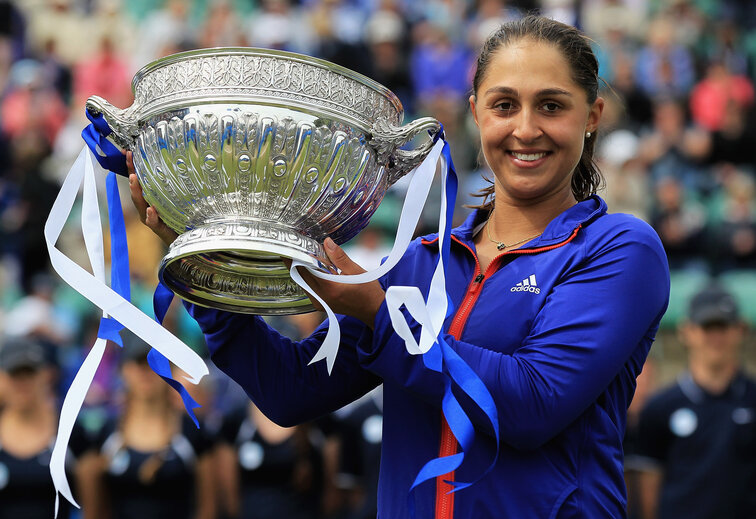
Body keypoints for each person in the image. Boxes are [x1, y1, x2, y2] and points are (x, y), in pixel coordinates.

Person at [128, 15, 670, 519]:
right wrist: (212, 271)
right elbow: (290, 391)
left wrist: (381, 317)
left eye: (552, 106)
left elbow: (533, 403)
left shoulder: (618, 249)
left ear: (593, 115)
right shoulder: (421, 266)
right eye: (504, 105)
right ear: (476, 110)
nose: (526, 129)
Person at [635, 284, 756, 519]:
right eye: (707, 326)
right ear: (686, 331)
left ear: (741, 329)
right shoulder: (660, 408)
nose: (716, 336)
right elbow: (650, 489)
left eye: (723, 326)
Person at [77, 331, 217, 519]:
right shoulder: (106, 432)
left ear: (171, 371)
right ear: (123, 370)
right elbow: (95, 509)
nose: (146, 371)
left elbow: (207, 508)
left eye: (155, 363)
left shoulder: (192, 431)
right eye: (138, 363)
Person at [0, 335, 88, 519]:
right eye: (15, 374)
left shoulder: (70, 428)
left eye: (29, 374)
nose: (23, 383)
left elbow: (93, 504)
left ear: (45, 375)